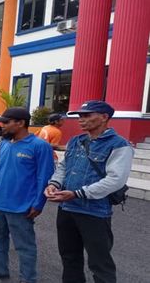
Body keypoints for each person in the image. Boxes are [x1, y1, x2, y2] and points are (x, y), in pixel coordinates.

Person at [44, 101, 133, 283]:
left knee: (100, 263)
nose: (81, 120)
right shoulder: (76, 141)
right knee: (69, 258)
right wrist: (54, 183)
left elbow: (115, 180)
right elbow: (64, 166)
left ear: (104, 117)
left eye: (87, 115)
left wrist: (78, 193)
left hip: (94, 212)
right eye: (80, 116)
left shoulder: (119, 145)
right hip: (67, 209)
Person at [0, 107, 55, 283]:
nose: (1, 126)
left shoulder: (40, 146)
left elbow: (45, 177)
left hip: (21, 206)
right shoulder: (5, 143)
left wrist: (39, 203)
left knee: (24, 246)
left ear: (20, 123)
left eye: (6, 122)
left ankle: (28, 278)